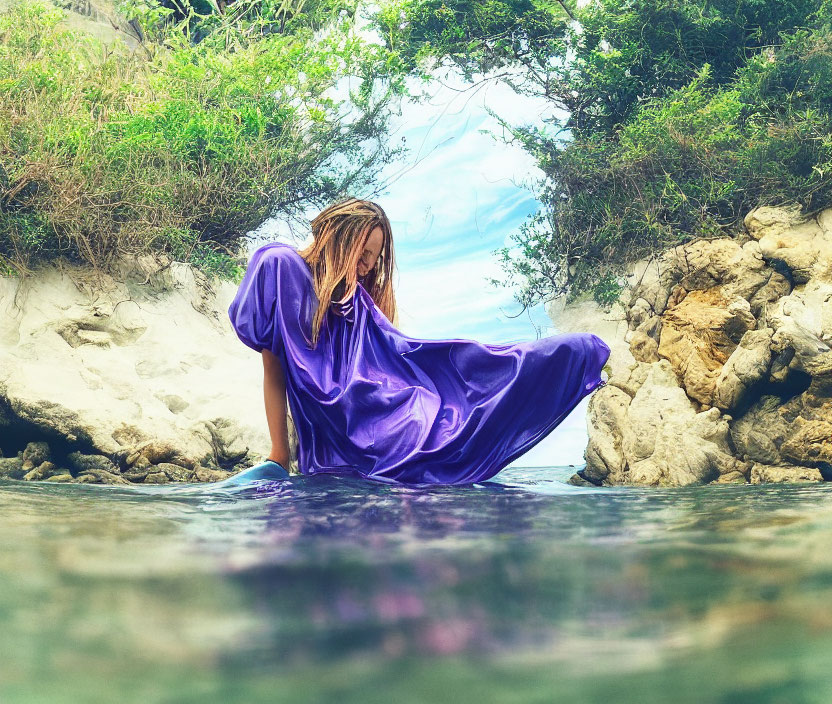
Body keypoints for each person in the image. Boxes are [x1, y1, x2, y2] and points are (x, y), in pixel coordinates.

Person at [228, 197, 610, 486]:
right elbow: (274, 370)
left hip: (391, 418)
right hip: (345, 440)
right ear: (337, 237)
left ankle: (574, 355)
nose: (369, 266)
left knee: (477, 373)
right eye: (363, 254)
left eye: (375, 258)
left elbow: (405, 357)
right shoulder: (278, 265)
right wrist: (279, 455)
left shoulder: (356, 302)